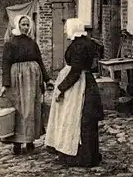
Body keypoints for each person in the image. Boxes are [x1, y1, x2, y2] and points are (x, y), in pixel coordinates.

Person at [45, 18, 104, 168]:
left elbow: (76, 72)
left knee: (78, 120)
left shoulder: (80, 46)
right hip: (84, 83)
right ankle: (87, 155)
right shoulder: (84, 42)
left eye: (66, 27)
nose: (64, 30)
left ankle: (81, 157)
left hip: (80, 87)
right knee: (84, 121)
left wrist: (61, 88)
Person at [0, 14, 53, 155]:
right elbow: (5, 64)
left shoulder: (32, 43)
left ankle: (30, 140)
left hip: (33, 80)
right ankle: (17, 142)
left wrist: (47, 80)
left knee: (31, 109)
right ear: (17, 25)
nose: (25, 27)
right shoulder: (10, 43)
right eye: (23, 24)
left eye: (27, 25)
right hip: (17, 79)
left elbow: (40, 61)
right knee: (18, 109)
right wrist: (5, 84)